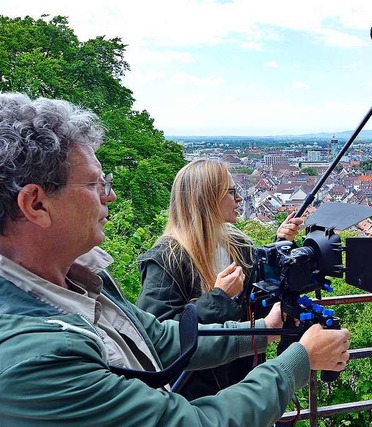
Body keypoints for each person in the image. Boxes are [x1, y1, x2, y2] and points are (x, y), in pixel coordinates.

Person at [0, 92, 350, 426]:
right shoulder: (37, 355)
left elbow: (161, 338)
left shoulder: (82, 282)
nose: (111, 195)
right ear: (36, 204)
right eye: (95, 184)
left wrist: (264, 330)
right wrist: (298, 362)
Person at [136, 159, 304, 399]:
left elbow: (260, 292)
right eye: (232, 191)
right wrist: (218, 297)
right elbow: (156, 336)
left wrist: (280, 244)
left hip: (244, 379)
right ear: (208, 197)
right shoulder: (167, 257)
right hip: (196, 394)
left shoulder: (238, 244)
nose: (239, 199)